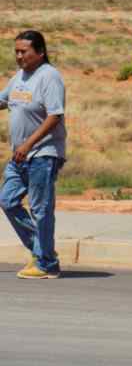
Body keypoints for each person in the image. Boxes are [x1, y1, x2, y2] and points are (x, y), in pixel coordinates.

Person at [0, 31, 67, 278]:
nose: (19, 56)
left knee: (41, 209)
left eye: (23, 51)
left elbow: (54, 115)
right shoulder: (20, 76)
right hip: (19, 155)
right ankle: (42, 252)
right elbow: (4, 99)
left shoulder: (49, 77)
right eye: (16, 51)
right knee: (7, 200)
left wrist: (28, 144)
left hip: (42, 153)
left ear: (39, 52)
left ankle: (46, 263)